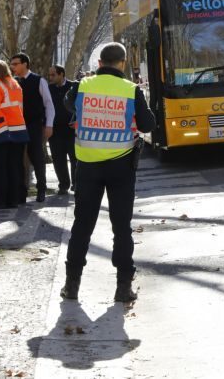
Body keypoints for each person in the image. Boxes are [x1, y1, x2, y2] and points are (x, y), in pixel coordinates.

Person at [61, 42, 155, 304]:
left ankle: (72, 285)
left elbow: (68, 105)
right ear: (123, 64)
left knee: (82, 225)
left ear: (99, 64)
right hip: (121, 167)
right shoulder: (131, 90)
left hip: (87, 166)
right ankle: (123, 288)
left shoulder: (81, 87)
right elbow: (148, 124)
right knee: (121, 227)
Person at [10, 53, 55, 202]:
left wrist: (49, 125)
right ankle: (21, 191)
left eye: (16, 64)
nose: (13, 67)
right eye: (12, 64)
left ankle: (41, 189)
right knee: (17, 158)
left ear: (25, 64)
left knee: (36, 156)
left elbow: (48, 104)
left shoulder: (38, 81)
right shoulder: (13, 82)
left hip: (34, 125)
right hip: (17, 125)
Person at [0, 60, 28, 208]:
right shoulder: (15, 84)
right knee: (14, 167)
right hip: (18, 128)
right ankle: (14, 199)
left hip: (1, 130)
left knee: (0, 168)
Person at [47, 64, 78, 195]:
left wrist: (77, 120)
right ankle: (63, 184)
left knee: (75, 158)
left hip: (71, 130)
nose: (51, 77)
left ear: (61, 74)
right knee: (58, 158)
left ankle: (76, 184)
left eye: (53, 75)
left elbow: (81, 105)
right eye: (50, 75)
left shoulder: (73, 87)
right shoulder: (49, 89)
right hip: (55, 130)